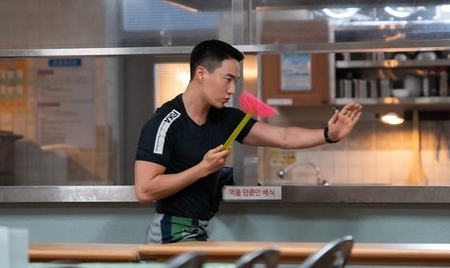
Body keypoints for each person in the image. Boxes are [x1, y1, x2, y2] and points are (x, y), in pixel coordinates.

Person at [134, 39, 362, 244]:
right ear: (201, 73)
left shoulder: (225, 119)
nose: (232, 90)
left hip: (198, 230)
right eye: (228, 79)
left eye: (235, 81)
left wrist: (329, 135)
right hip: (170, 232)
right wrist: (203, 169)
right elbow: (145, 191)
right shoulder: (165, 122)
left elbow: (284, 137)